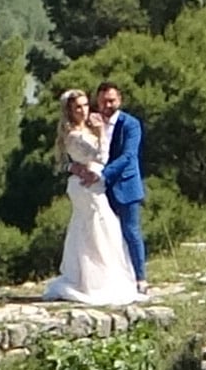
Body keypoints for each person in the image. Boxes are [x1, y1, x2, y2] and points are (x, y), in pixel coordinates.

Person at [47, 90, 138, 305]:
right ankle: (91, 280)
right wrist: (100, 134)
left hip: (92, 184)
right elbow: (101, 157)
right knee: (95, 228)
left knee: (94, 228)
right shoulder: (74, 134)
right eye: (78, 106)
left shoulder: (82, 129)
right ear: (69, 110)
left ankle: (99, 276)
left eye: (86, 105)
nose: (83, 110)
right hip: (86, 187)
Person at [95, 81, 148, 286]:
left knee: (131, 232)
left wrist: (103, 174)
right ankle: (111, 278)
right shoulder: (94, 122)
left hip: (126, 185)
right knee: (104, 235)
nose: (107, 105)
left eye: (111, 101)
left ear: (119, 100)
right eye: (102, 101)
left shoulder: (130, 124)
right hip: (100, 189)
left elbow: (128, 155)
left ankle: (140, 279)